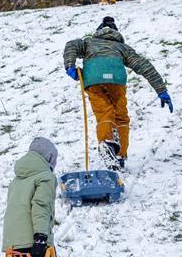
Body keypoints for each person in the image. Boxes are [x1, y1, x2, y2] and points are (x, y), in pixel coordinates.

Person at [62, 15, 172, 171]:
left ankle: (107, 142)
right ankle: (120, 155)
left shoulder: (88, 42)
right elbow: (144, 66)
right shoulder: (122, 48)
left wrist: (70, 66)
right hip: (116, 80)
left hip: (92, 78)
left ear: (98, 32)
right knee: (121, 116)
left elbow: (71, 44)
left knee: (104, 111)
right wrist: (162, 90)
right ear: (117, 33)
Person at [2, 136, 63, 257]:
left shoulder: (17, 180)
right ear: (49, 158)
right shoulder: (45, 177)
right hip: (33, 238)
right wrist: (40, 236)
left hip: (14, 242)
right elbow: (40, 206)